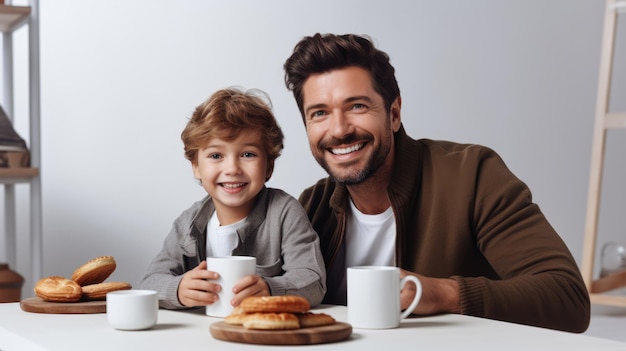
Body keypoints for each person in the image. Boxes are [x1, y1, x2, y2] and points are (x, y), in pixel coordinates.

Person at [283, 33, 590, 333]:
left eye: (357, 106)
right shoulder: (312, 206)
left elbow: (568, 297)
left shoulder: (472, 175)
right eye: (319, 113)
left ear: (393, 113)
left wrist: (443, 294)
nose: (338, 129)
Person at [138, 87, 326, 310]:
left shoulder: (285, 213)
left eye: (248, 154)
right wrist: (177, 289)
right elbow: (149, 282)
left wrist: (270, 289)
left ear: (269, 166)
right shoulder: (187, 224)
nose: (232, 168)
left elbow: (313, 280)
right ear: (196, 167)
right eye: (216, 156)